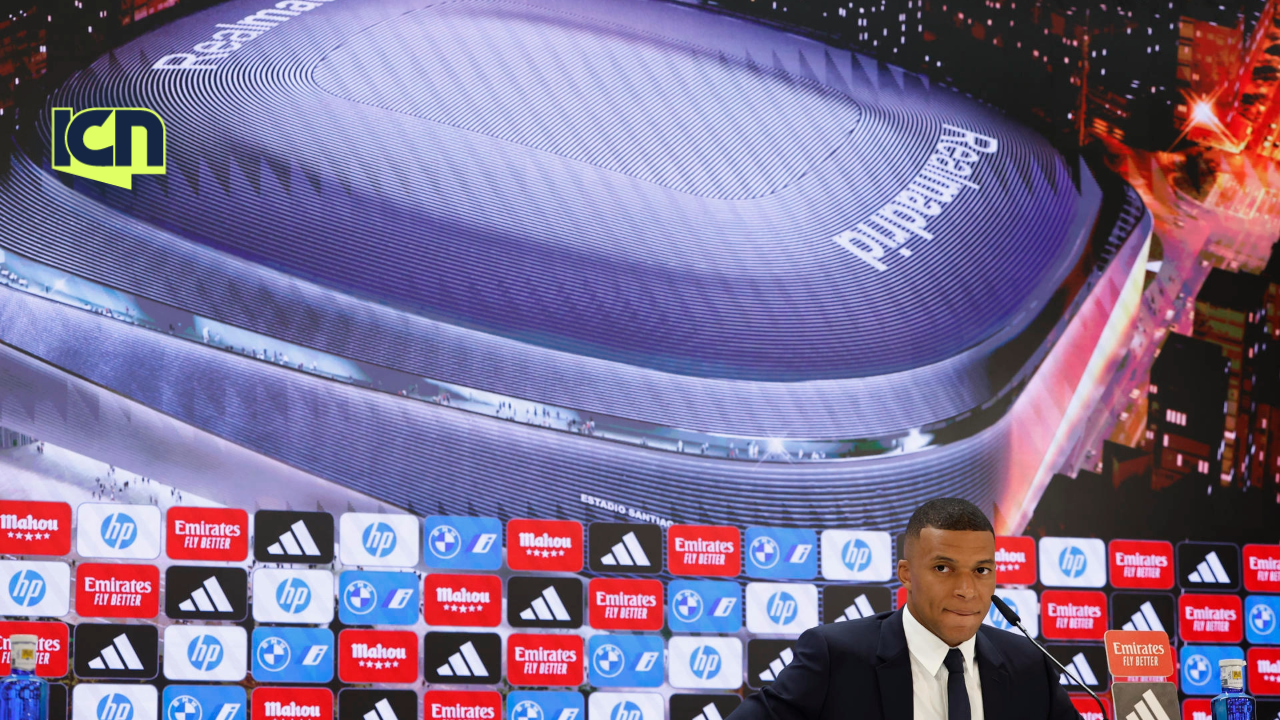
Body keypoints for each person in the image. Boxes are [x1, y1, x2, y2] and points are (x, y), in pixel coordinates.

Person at [728, 498, 1082, 720]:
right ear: (906, 574)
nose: (965, 590)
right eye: (943, 568)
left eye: (981, 570)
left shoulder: (1029, 664)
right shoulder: (836, 656)